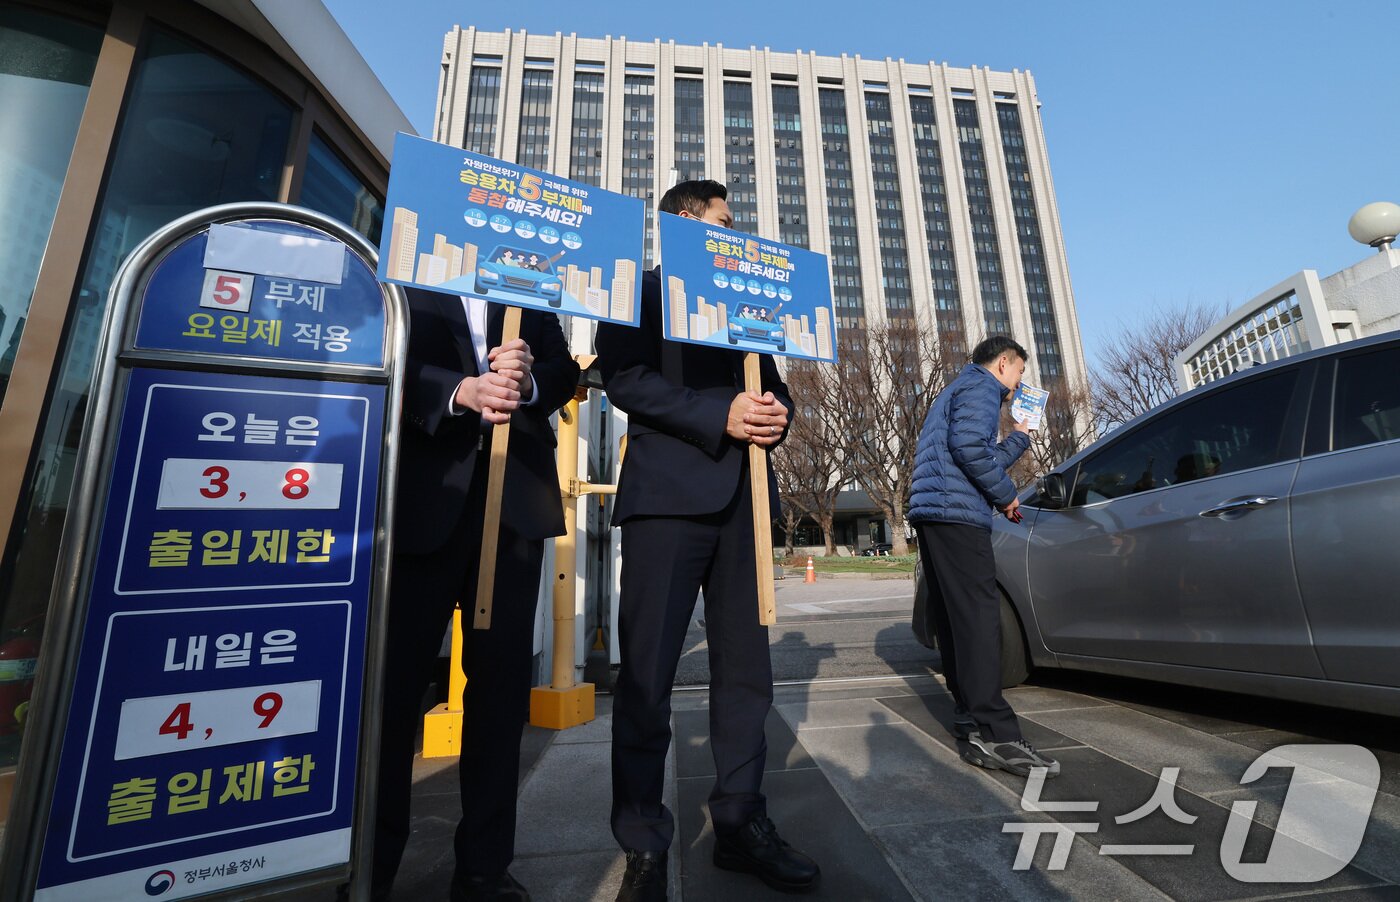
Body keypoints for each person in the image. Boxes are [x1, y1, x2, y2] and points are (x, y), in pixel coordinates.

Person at [594, 179, 820, 902]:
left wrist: (776, 415)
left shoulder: (750, 304)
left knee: (747, 677)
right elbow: (625, 380)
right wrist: (719, 415)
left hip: (745, 504)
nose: (736, 233)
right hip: (665, 502)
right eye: (724, 222)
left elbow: (777, 390)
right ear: (685, 223)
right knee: (647, 677)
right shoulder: (638, 290)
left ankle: (741, 822)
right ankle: (643, 844)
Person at [363, 286, 579, 901]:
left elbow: (563, 370)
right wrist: (459, 390)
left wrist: (530, 384)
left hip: (513, 510)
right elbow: (378, 354)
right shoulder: (404, 274)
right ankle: (371, 865)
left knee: (501, 697)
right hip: (421, 502)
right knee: (391, 693)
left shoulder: (527, 289)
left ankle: (484, 867)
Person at [908, 336, 1061, 779]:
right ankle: (998, 735)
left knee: (957, 621)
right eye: (1019, 373)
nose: (1017, 384)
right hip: (956, 515)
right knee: (978, 621)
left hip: (936, 512)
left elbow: (976, 451)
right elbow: (970, 449)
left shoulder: (958, 388)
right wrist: (1006, 495)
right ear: (1003, 362)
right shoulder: (981, 387)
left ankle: (971, 720)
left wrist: (1020, 438)